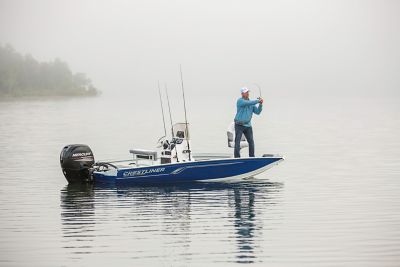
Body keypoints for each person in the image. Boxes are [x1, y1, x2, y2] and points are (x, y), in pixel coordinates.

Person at [234, 87, 263, 158]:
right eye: (246, 92)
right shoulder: (240, 101)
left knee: (251, 142)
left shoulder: (252, 103)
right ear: (242, 94)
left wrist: (260, 104)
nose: (247, 93)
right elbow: (248, 103)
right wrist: (258, 101)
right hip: (239, 125)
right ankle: (237, 157)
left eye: (248, 92)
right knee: (237, 142)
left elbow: (258, 112)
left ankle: (252, 157)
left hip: (248, 126)